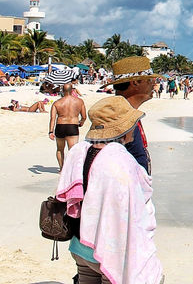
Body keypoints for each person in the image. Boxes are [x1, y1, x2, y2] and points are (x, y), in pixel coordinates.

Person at [55, 96, 163, 284]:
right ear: (124, 129)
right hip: (108, 250)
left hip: (80, 247)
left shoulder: (80, 152)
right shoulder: (120, 161)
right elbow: (136, 206)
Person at [101, 57, 161, 175]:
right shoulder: (118, 117)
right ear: (135, 82)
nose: (154, 84)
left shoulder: (125, 112)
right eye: (149, 80)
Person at [49, 82, 87, 170]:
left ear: (62, 90)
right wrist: (81, 122)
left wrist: (50, 131)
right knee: (72, 150)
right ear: (72, 90)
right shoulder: (79, 101)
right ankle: (71, 169)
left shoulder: (57, 103)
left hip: (60, 126)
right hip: (72, 126)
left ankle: (62, 169)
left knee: (60, 149)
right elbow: (84, 116)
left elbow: (52, 118)